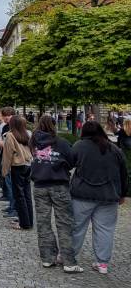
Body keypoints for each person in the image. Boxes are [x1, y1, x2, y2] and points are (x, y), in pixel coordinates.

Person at [70, 121, 128, 275]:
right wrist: (122, 194)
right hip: (109, 195)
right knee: (105, 230)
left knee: (76, 227)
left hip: (82, 194)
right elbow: (124, 174)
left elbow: (68, 164)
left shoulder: (79, 146)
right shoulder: (114, 149)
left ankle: (68, 256)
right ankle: (102, 263)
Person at [28, 115, 81, 272]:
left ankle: (47, 258)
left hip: (39, 185)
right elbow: (72, 161)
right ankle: (68, 261)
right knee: (64, 223)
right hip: (59, 185)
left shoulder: (33, 142)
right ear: (54, 125)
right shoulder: (62, 143)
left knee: (43, 223)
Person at [1, 116, 33, 230]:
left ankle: (24, 223)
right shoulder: (27, 134)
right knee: (27, 195)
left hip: (18, 166)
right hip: (28, 165)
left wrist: (4, 171)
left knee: (19, 195)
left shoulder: (10, 135)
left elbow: (7, 154)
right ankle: (29, 221)